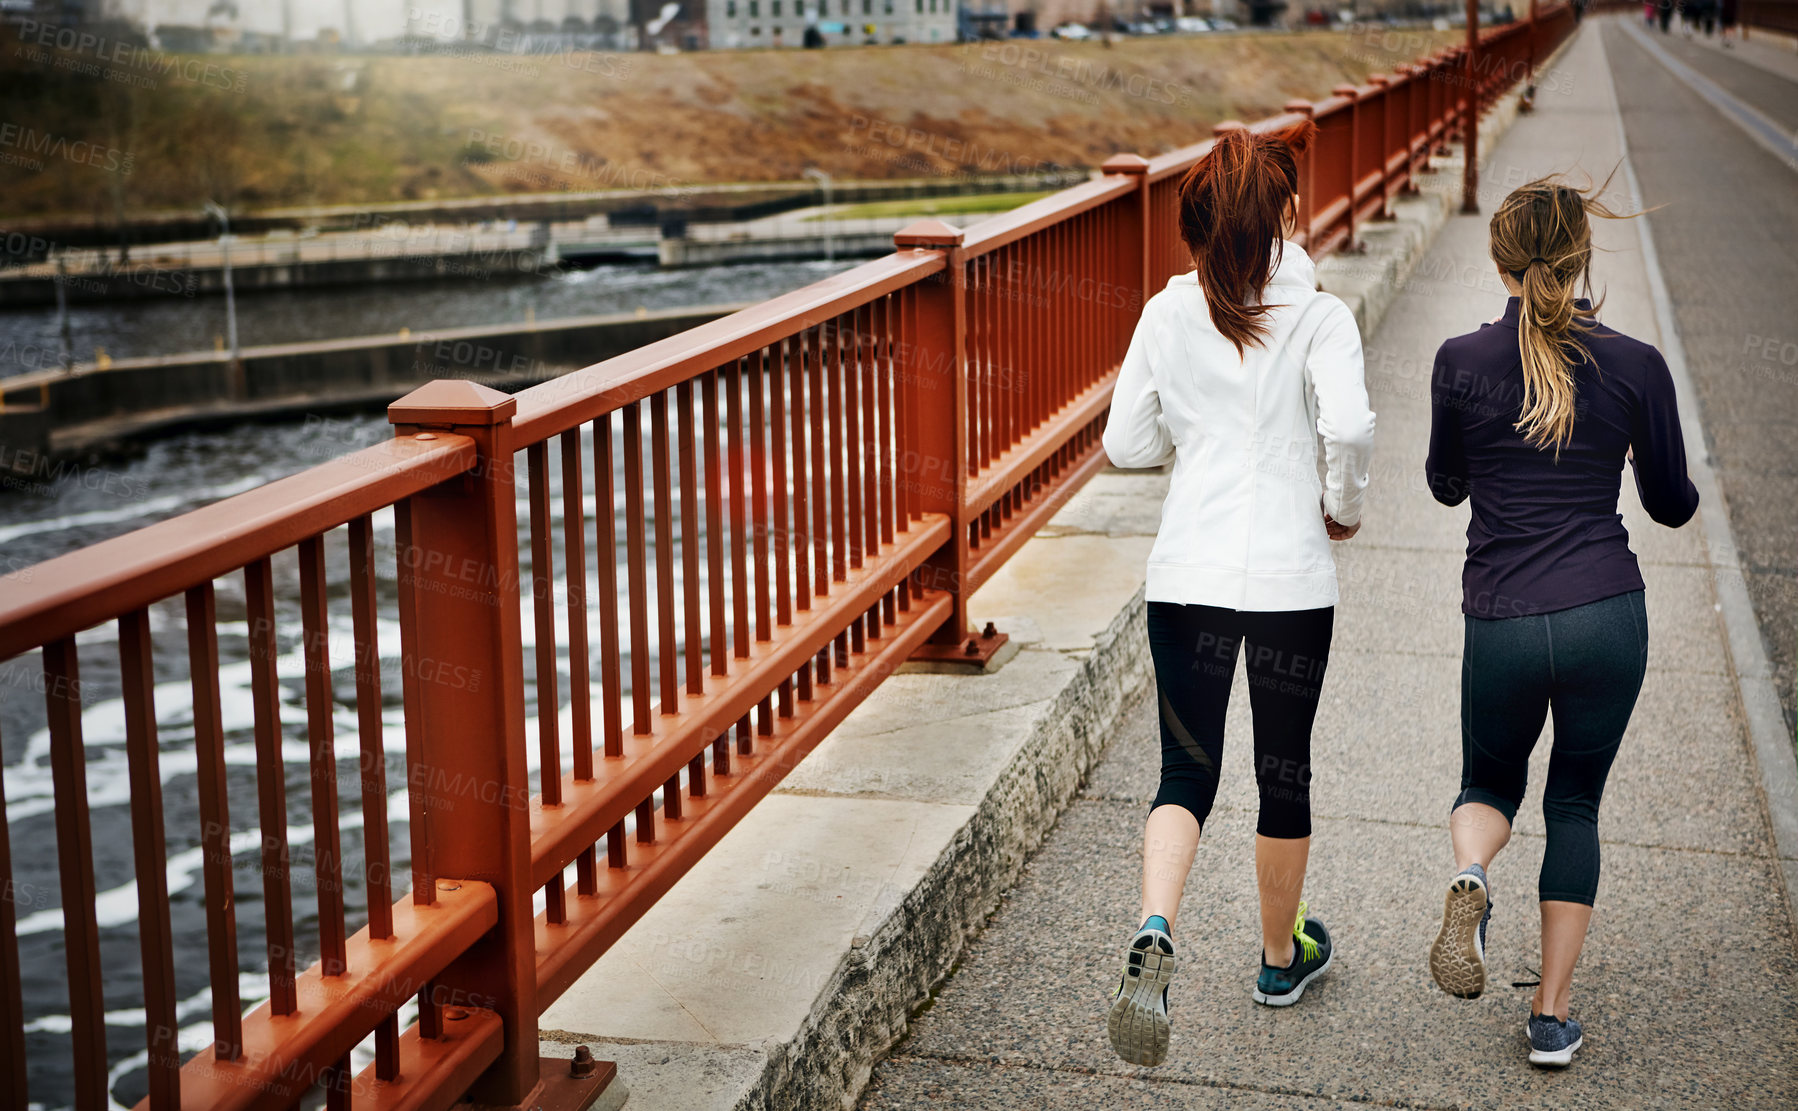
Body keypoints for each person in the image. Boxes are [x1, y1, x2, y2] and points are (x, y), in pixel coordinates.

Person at [1099, 120, 1375, 1067]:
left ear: (1195, 225)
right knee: (1282, 770)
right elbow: (1350, 426)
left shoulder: (1165, 314)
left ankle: (1156, 926)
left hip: (1189, 578)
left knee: (1186, 772)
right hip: (1292, 579)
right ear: (1283, 218)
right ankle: (1275, 959)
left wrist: (1197, 431)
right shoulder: (1321, 317)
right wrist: (1340, 506)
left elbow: (1126, 443)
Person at [1423, 177, 1699, 1069]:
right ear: (1580, 258)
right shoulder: (1635, 364)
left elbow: (1445, 481)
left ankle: (1472, 875)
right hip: (1604, 616)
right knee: (1574, 801)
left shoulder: (1460, 359)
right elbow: (1671, 504)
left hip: (1501, 617)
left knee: (1489, 784)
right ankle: (1550, 1016)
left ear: (1501, 262)